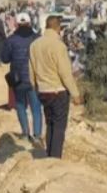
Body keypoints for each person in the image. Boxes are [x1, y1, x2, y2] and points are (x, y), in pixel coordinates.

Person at [29, 16, 82, 159]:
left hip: (43, 91)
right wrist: (75, 94)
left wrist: (35, 87)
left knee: (50, 123)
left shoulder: (34, 45)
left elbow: (31, 71)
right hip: (58, 91)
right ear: (58, 28)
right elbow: (65, 73)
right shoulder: (59, 46)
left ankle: (49, 155)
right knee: (59, 126)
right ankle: (55, 159)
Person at [1, 13, 43, 144]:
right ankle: (37, 135)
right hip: (33, 78)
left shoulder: (11, 40)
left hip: (18, 79)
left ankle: (25, 133)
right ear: (30, 23)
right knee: (36, 107)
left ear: (17, 24)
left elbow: (5, 59)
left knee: (20, 106)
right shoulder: (37, 38)